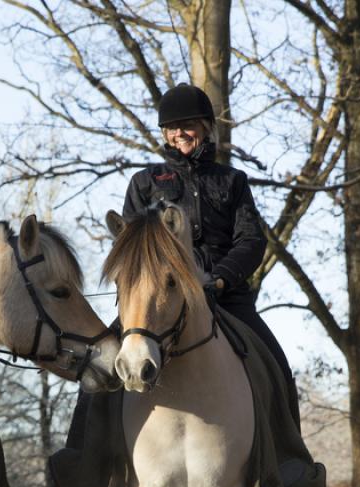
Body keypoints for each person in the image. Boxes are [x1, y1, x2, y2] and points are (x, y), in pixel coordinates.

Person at [121, 83, 296, 402]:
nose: (180, 133)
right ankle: (82, 447)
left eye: (188, 125)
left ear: (205, 128)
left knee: (276, 364)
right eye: (172, 128)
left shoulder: (233, 180)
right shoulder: (144, 184)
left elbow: (251, 240)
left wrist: (220, 279)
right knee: (103, 359)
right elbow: (129, 249)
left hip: (224, 296)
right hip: (158, 298)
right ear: (164, 133)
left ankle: (290, 451)